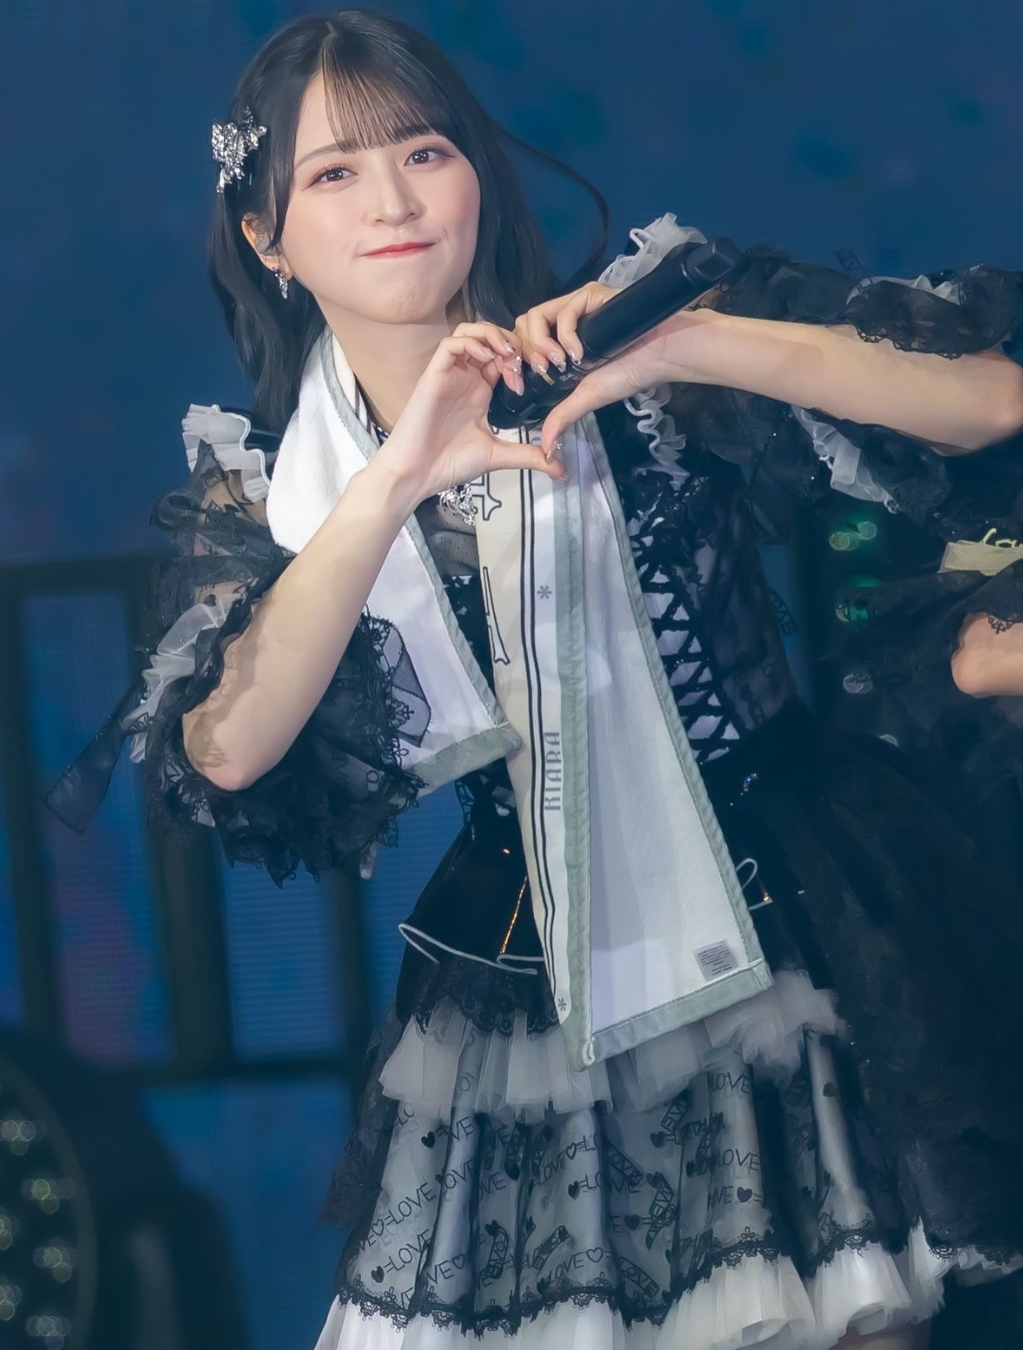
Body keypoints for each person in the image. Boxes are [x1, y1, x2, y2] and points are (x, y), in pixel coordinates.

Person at [48, 10, 1023, 1349]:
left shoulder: (626, 343)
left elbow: (990, 401)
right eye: (333, 173)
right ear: (267, 236)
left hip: (798, 909)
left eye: (424, 152)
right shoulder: (286, 490)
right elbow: (225, 749)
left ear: (475, 175)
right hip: (529, 974)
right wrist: (396, 479)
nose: (392, 202)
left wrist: (681, 344)